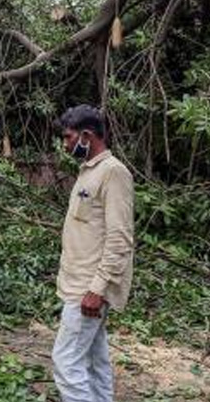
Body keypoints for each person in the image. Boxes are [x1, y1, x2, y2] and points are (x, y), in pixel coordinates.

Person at [52, 105, 134, 402]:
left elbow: (120, 239)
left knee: (66, 363)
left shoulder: (114, 173)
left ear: (87, 135)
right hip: (77, 284)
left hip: (88, 289)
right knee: (95, 362)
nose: (65, 144)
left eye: (68, 137)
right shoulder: (88, 171)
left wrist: (97, 289)